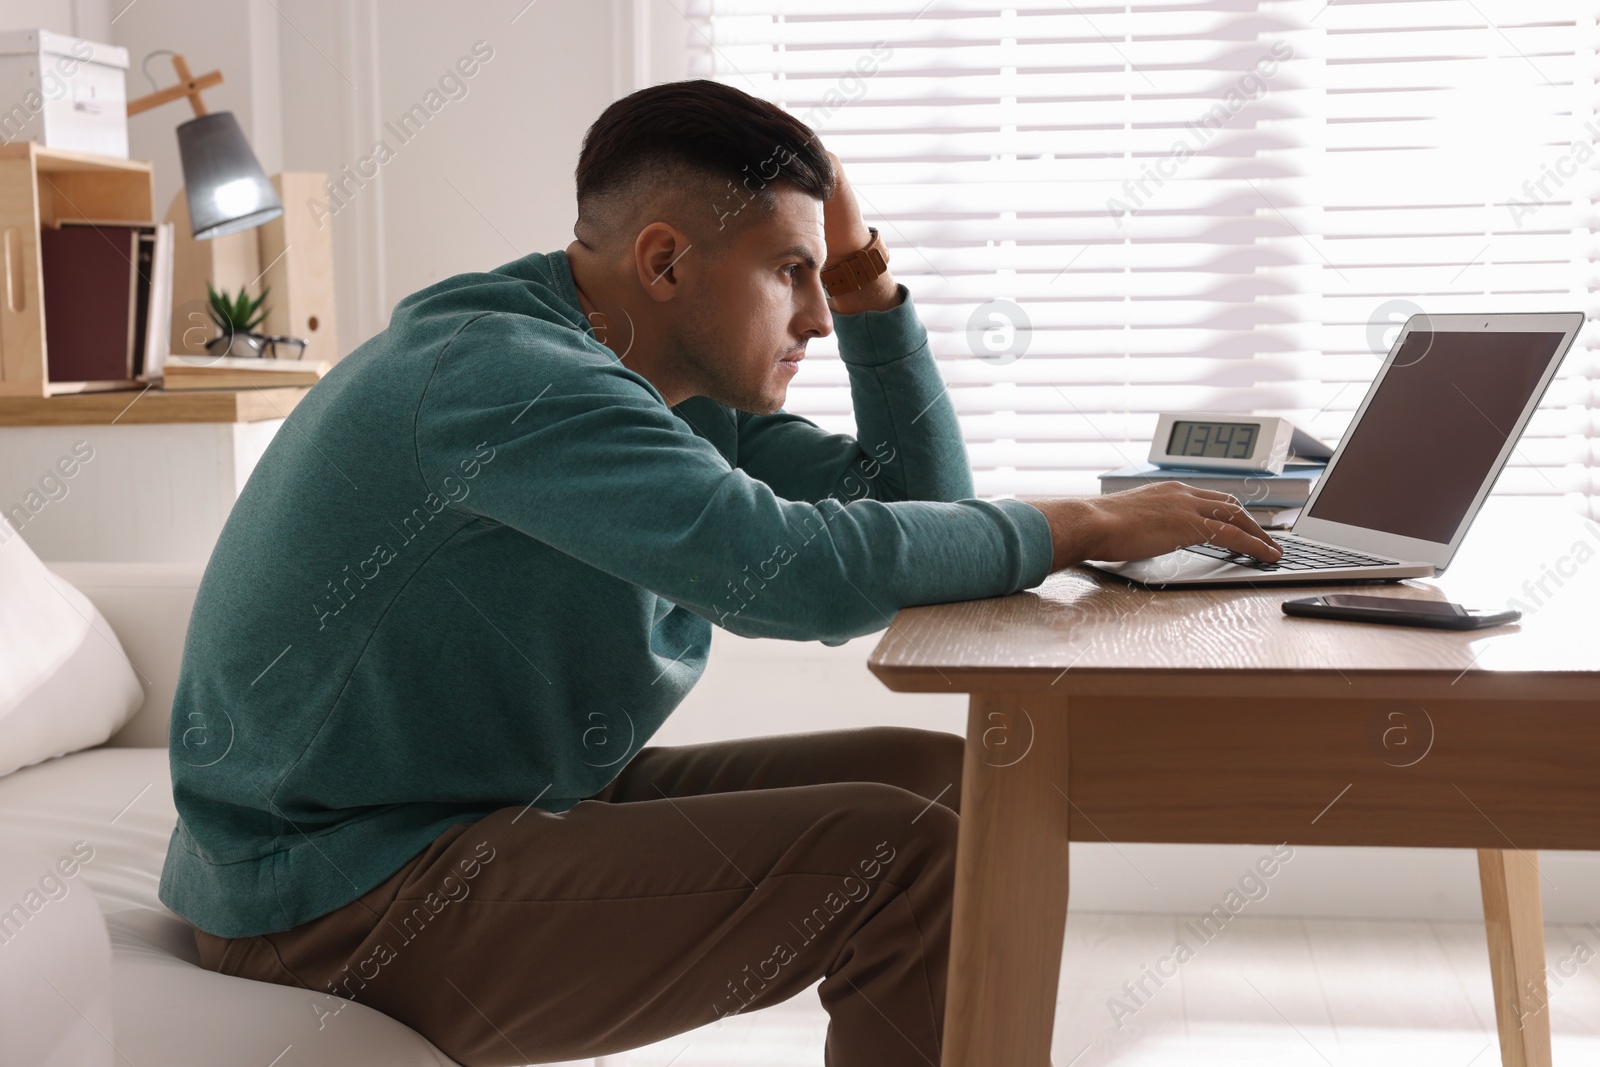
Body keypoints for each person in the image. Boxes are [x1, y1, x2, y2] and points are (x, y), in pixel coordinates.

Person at [164, 79, 1279, 1067]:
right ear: (663, 262)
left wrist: (867, 286)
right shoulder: (509, 377)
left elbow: (914, 506)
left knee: (968, 785)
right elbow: (792, 575)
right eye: (792, 273)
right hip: (334, 891)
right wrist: (1078, 521)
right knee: (909, 854)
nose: (814, 319)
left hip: (492, 808)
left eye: (820, 276)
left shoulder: (652, 381)